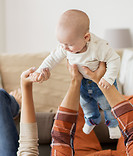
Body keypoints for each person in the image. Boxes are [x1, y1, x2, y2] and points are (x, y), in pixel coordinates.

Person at [31, 9, 121, 139]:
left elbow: (114, 59)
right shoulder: (65, 46)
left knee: (107, 105)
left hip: (102, 82)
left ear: (86, 37)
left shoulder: (98, 47)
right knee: (86, 104)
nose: (65, 48)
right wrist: (40, 70)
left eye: (69, 45)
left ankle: (113, 125)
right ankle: (91, 120)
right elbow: (52, 58)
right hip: (83, 83)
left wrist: (108, 78)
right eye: (62, 44)